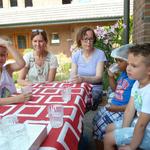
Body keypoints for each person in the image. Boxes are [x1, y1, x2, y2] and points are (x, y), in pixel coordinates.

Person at [104, 43, 150, 150]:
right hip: (138, 123)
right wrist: (122, 133)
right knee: (109, 128)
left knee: (108, 139)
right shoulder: (137, 83)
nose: (128, 68)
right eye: (128, 64)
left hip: (147, 131)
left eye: (134, 66)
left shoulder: (148, 91)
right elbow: (129, 110)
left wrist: (131, 146)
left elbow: (142, 125)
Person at [92, 44, 135, 149]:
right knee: (95, 119)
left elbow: (133, 106)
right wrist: (111, 77)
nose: (117, 64)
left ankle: (105, 144)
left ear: (129, 61)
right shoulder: (124, 74)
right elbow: (116, 90)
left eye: (120, 61)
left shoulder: (134, 78)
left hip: (122, 110)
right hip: (115, 106)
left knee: (100, 126)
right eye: (116, 61)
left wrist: (115, 108)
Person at [70, 27, 107, 110]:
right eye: (85, 39)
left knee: (78, 104)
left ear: (94, 39)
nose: (88, 42)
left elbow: (99, 78)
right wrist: (72, 79)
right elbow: (73, 74)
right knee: (68, 99)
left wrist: (83, 79)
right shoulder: (76, 55)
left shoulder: (100, 54)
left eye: (91, 39)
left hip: (94, 88)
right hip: (80, 88)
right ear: (80, 40)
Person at [0, 37, 32, 105]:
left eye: (2, 55)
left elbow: (22, 63)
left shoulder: (7, 69)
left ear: (6, 56)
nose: (0, 58)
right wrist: (16, 99)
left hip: (14, 107)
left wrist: (7, 44)